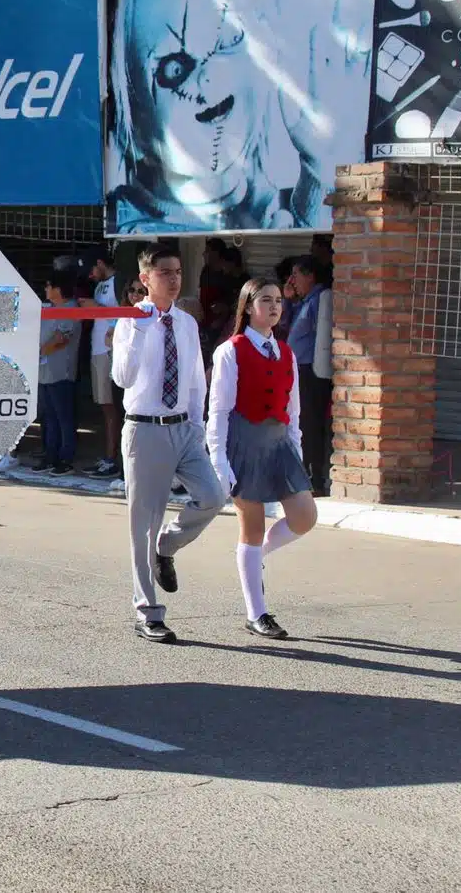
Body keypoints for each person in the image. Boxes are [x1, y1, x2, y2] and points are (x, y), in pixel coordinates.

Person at [112, 243, 226, 643]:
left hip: (184, 429)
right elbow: (123, 378)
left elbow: (196, 377)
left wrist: (197, 424)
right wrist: (141, 329)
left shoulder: (186, 323)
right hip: (145, 430)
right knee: (143, 524)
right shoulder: (130, 321)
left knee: (213, 495)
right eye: (165, 273)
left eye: (178, 271)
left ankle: (169, 545)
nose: (174, 279)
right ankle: (148, 612)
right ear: (145, 279)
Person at [207, 277, 318, 639]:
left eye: (278, 301)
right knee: (251, 528)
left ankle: (251, 559)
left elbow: (293, 411)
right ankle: (257, 613)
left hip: (280, 445)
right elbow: (219, 411)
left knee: (304, 517)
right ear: (248, 306)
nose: (274, 307)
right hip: (244, 444)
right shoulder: (230, 350)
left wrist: (296, 450)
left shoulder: (286, 352)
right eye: (266, 300)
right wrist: (219, 461)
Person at [285, 256, 333, 495]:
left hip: (310, 370)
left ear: (311, 276)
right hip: (299, 368)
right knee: (301, 422)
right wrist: (289, 301)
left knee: (311, 425)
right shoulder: (303, 302)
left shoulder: (319, 300)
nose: (292, 281)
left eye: (297, 275)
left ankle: (315, 476)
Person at [33, 266, 82, 476]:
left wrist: (38, 351)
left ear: (58, 288)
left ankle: (65, 458)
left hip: (61, 372)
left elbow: (62, 338)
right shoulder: (47, 308)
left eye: (48, 285)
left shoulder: (71, 308)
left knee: (64, 417)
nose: (45, 289)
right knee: (49, 417)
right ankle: (50, 455)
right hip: (44, 372)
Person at [86, 248, 122, 478]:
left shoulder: (118, 282)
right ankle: (108, 455)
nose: (90, 274)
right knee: (103, 406)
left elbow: (123, 313)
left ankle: (112, 460)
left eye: (91, 269)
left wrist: (94, 307)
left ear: (100, 262)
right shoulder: (100, 284)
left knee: (112, 407)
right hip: (97, 349)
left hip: (110, 350)